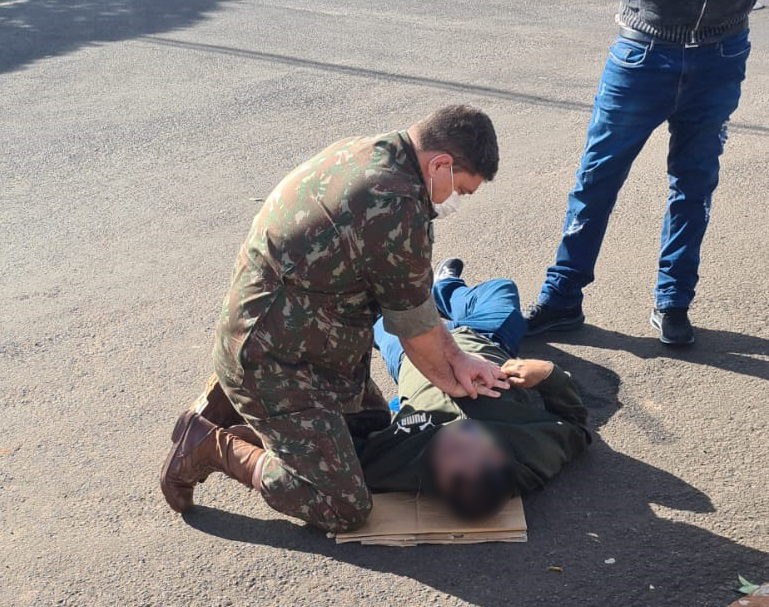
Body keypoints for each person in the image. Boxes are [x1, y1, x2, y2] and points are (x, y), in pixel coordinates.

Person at [160, 106, 510, 533]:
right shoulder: (395, 207)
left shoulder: (367, 151)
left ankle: (232, 397)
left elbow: (414, 300)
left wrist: (457, 356)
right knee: (343, 505)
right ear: (440, 164)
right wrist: (453, 384)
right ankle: (211, 445)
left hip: (287, 336)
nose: (455, 201)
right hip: (275, 360)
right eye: (461, 190)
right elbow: (414, 331)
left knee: (370, 435)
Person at [524, 0, 753, 345]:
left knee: (694, 185)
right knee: (596, 179)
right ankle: (562, 296)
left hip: (721, 54)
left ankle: (673, 301)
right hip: (644, 50)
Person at [359, 259, 591, 518]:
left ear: (434, 477)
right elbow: (576, 426)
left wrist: (387, 413)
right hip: (486, 338)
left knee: (382, 315)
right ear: (502, 457)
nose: (462, 433)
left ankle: (407, 302)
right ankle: (446, 287)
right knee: (501, 289)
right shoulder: (535, 454)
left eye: (449, 449)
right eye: (475, 443)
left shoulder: (389, 468)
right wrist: (547, 375)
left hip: (413, 353)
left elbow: (350, 446)